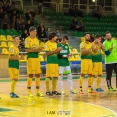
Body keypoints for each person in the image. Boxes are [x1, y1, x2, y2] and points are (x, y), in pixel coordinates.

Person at [25, 26, 43, 97]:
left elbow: (37, 50)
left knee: (38, 74)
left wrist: (39, 50)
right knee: (30, 75)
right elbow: (27, 50)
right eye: (34, 31)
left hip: (36, 58)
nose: (35, 32)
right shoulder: (27, 39)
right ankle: (29, 92)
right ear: (30, 32)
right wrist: (36, 50)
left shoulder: (37, 40)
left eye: (36, 31)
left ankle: (38, 92)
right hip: (30, 58)